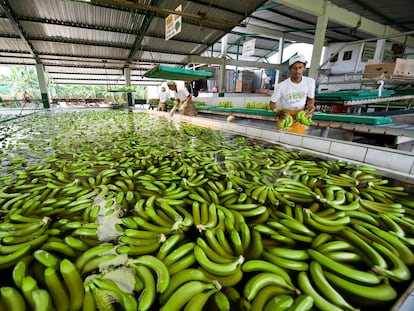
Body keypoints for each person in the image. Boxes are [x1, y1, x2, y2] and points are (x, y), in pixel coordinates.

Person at [269, 54, 315, 134]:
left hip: (300, 116)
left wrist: (310, 106)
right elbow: (272, 103)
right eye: (295, 68)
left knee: (297, 140)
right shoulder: (281, 86)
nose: (297, 71)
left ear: (304, 68)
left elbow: (311, 99)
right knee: (282, 140)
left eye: (300, 67)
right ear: (290, 69)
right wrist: (278, 111)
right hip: (285, 117)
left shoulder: (310, 82)